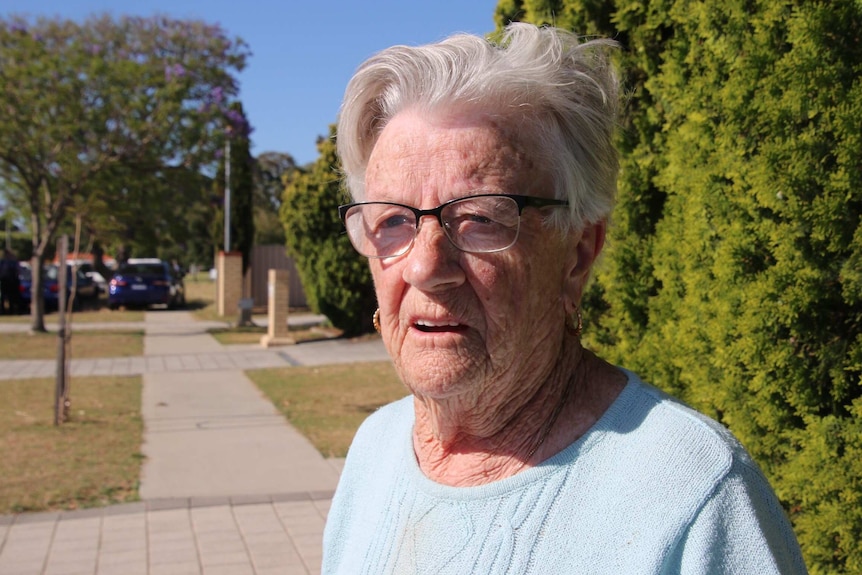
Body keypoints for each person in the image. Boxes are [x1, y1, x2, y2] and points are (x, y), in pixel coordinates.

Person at [323, 23, 807, 574]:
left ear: (578, 253)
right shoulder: (375, 451)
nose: (425, 266)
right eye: (392, 221)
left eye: (481, 218)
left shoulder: (693, 498)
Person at [0, 248, 22, 315]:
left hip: (10, 281)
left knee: (10, 297)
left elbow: (18, 272)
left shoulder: (11, 262)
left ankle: (10, 311)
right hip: (6, 281)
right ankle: (6, 311)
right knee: (6, 297)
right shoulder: (4, 262)